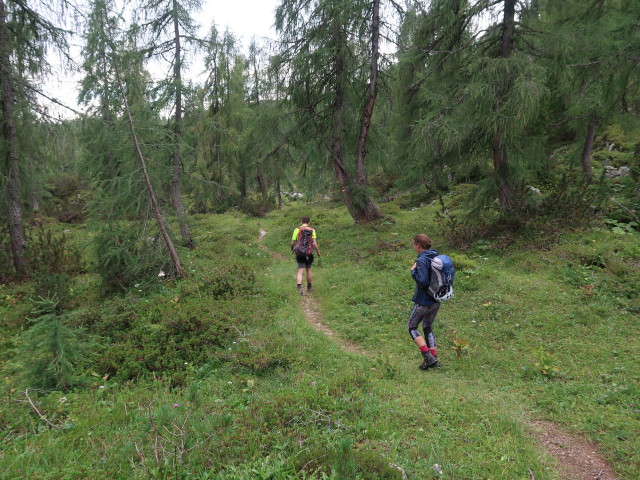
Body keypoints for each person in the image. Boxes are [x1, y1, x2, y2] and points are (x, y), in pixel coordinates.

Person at [408, 233, 441, 370]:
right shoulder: (436, 256)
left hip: (423, 301)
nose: (413, 246)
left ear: (418, 245)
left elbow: (423, 281)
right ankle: (433, 359)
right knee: (427, 327)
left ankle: (428, 357)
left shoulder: (422, 260)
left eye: (413, 243)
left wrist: (413, 272)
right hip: (436, 300)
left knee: (412, 327)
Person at [290, 216, 321, 295]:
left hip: (299, 252)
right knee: (308, 269)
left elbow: (293, 242)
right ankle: (309, 287)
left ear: (301, 222)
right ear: (309, 222)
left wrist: (292, 248)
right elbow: (314, 243)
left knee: (300, 270)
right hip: (309, 253)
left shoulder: (297, 229)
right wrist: (318, 252)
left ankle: (299, 287)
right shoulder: (312, 230)